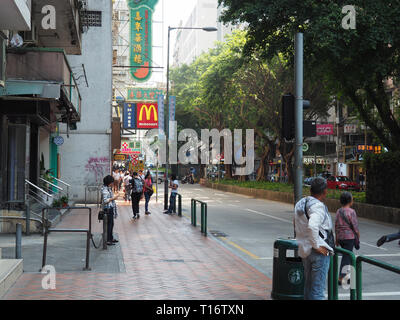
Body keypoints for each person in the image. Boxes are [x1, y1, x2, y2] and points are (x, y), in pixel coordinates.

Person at [294, 177, 334, 300]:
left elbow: (295, 223)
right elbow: (312, 226)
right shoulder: (318, 207)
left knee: (308, 287)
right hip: (318, 252)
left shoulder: (300, 203)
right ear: (325, 191)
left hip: (305, 250)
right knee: (317, 291)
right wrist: (316, 246)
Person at [335, 192, 360, 284]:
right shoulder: (351, 212)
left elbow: (336, 225)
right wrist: (358, 235)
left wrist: (336, 238)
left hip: (341, 237)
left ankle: (347, 276)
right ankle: (341, 277)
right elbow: (355, 226)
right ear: (350, 201)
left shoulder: (339, 211)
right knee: (347, 257)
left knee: (347, 256)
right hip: (349, 237)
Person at [101, 175, 119, 246]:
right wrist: (114, 198)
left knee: (111, 224)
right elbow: (105, 200)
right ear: (109, 182)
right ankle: (108, 240)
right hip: (107, 209)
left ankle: (110, 238)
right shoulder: (105, 189)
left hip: (110, 208)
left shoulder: (108, 188)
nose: (113, 184)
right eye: (112, 182)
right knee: (109, 225)